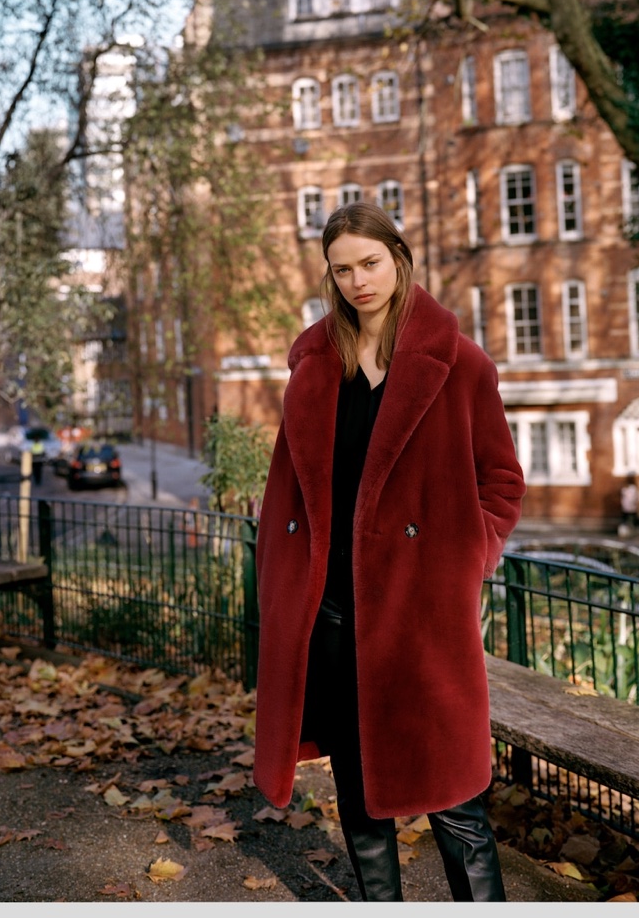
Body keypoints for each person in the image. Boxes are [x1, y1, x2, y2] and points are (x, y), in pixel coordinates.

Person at [253, 202, 526, 901]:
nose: (357, 281)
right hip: (336, 616)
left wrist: (470, 559)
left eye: (369, 263)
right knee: (363, 797)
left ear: (399, 260)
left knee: (456, 804)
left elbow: (501, 480)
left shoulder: (456, 363)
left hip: (422, 619)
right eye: (341, 269)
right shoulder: (318, 366)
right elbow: (291, 492)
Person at [618, 473, 639, 537]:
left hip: (626, 506)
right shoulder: (633, 489)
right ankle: (629, 531)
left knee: (626, 519)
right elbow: (637, 498)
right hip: (631, 506)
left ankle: (627, 532)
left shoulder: (626, 488)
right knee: (630, 519)